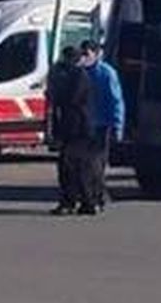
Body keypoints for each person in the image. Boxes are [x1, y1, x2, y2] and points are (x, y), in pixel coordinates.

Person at [46, 46, 93, 216]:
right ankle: (82, 201)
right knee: (72, 166)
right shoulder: (65, 75)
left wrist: (57, 91)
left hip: (79, 128)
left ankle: (75, 201)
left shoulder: (79, 76)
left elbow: (72, 98)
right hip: (69, 126)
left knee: (71, 166)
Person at [80, 40, 124, 214]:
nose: (84, 57)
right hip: (84, 124)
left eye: (87, 54)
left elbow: (116, 100)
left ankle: (97, 197)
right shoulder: (81, 72)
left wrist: (117, 126)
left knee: (96, 164)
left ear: (97, 54)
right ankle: (90, 197)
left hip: (102, 124)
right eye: (83, 54)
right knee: (84, 164)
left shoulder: (106, 73)